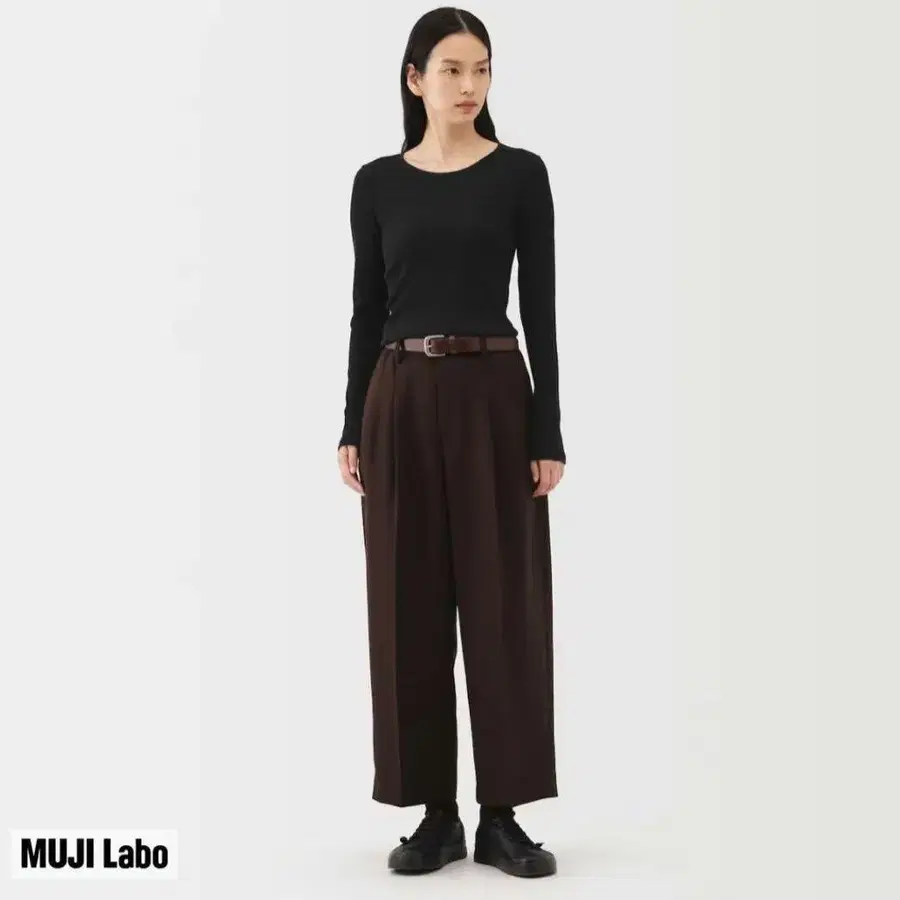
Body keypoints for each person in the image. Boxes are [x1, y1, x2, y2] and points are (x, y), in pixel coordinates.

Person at [336, 8, 566, 879]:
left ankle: (502, 815)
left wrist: (547, 427)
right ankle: (434, 815)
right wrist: (351, 423)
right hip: (398, 396)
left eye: (482, 69)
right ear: (414, 79)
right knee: (407, 604)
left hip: (494, 395)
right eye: (452, 69)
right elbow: (366, 311)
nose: (470, 86)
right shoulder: (376, 184)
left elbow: (541, 307)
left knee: (504, 605)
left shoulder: (520, 174)